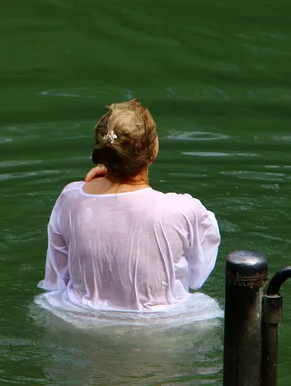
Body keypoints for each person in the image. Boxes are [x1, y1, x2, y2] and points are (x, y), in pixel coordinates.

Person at [37, 98, 220, 312]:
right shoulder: (183, 210)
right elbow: (196, 276)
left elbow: (56, 280)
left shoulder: (70, 199)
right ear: (153, 150)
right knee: (206, 307)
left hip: (81, 323)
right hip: (161, 330)